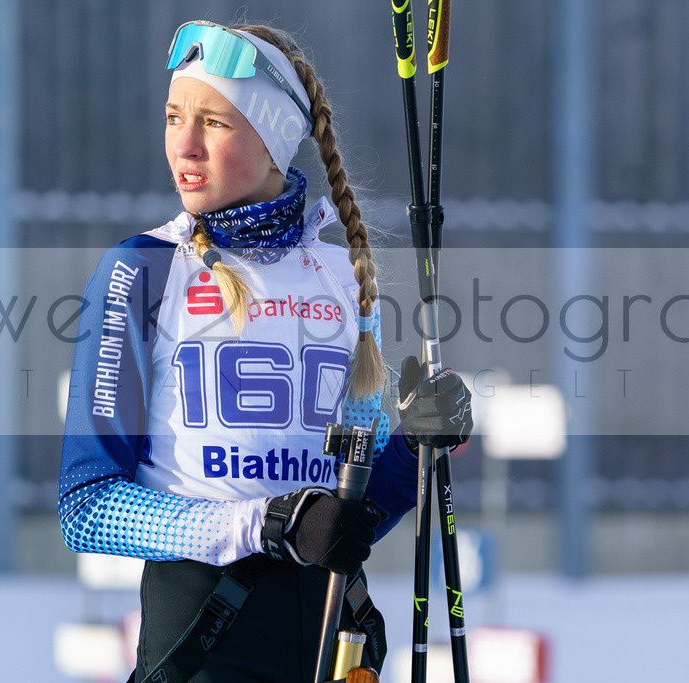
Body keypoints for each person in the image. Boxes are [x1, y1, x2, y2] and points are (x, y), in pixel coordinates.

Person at [58, 19, 472, 682]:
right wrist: (268, 523)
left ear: (275, 139)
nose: (184, 144)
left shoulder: (344, 278)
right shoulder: (140, 271)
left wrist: (418, 448)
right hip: (201, 648)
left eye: (216, 123)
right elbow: (89, 505)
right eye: (173, 116)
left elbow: (352, 512)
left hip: (332, 646)